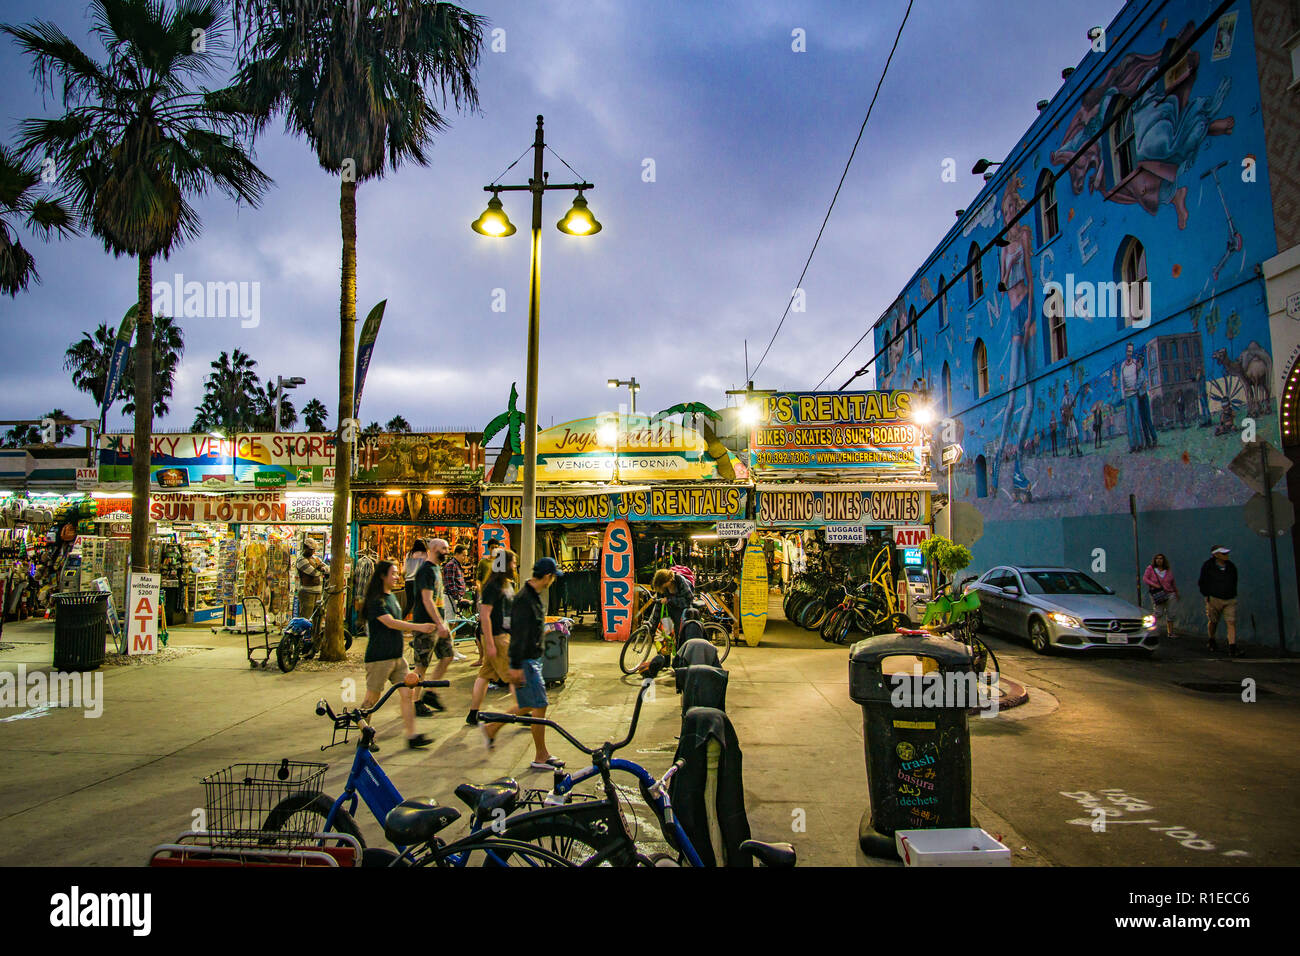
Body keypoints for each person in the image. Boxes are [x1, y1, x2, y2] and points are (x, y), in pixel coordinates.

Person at [480, 557, 566, 771]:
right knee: (539, 704)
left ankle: (491, 728)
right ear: (547, 577)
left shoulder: (531, 595)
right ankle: (541, 756)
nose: (553, 581)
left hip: (531, 659)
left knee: (527, 705)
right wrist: (516, 666)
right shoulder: (524, 599)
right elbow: (518, 635)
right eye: (553, 577)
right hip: (525, 661)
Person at [361, 561, 434, 750]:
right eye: (393, 574)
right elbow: (391, 623)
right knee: (371, 699)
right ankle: (364, 734)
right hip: (379, 657)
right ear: (382, 576)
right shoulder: (376, 601)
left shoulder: (391, 597)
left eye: (396, 574)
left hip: (397, 656)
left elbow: (396, 624)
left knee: (407, 694)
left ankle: (411, 735)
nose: (397, 577)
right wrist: (418, 627)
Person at [467, 548, 517, 726]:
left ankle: (473, 713)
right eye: (512, 562)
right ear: (505, 565)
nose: (514, 565)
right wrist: (489, 643)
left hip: (502, 635)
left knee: (485, 674)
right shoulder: (493, 586)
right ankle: (523, 711)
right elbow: (485, 615)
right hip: (497, 637)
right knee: (514, 675)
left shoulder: (506, 583)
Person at [411, 538, 453, 714]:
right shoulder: (425, 571)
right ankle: (415, 701)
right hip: (426, 624)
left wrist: (442, 623)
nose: (446, 551)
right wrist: (438, 623)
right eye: (444, 548)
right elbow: (427, 600)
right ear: (433, 548)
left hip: (438, 622)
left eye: (447, 548)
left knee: (448, 655)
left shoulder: (436, 569)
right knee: (422, 664)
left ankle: (431, 691)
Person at [1197, 545, 1240, 657]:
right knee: (1213, 621)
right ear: (1216, 555)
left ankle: (1232, 647)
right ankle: (1211, 639)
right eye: (1223, 554)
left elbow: (1234, 580)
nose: (1226, 556)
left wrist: (1233, 592)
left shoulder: (1231, 566)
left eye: (1226, 553)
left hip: (1229, 598)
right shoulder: (1208, 566)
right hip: (1214, 598)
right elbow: (1202, 581)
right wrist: (1207, 595)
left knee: (1231, 622)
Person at [1142, 553, 1178, 639]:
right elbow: (1145, 578)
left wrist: (1176, 592)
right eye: (1157, 558)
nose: (1159, 560)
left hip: (1169, 593)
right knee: (1158, 612)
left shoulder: (1168, 570)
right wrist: (1154, 585)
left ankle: (1170, 632)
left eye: (1161, 558)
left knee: (1171, 613)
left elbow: (1172, 581)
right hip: (1158, 593)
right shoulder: (1151, 569)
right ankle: (1149, 629)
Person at [651, 567, 695, 636]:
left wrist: (669, 600)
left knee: (678, 630)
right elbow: (658, 605)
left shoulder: (680, 581)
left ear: (668, 581)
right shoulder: (663, 588)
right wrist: (653, 624)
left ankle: (679, 643)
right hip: (671, 609)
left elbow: (689, 599)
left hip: (683, 608)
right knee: (667, 631)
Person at [295, 538, 327, 621]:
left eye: (313, 550)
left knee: (318, 617)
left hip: (318, 592)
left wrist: (322, 569)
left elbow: (327, 568)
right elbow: (314, 573)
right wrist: (321, 570)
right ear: (305, 548)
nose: (312, 552)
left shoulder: (315, 559)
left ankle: (314, 634)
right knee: (306, 618)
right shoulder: (301, 560)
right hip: (307, 593)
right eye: (310, 550)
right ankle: (303, 634)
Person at [403, 540, 427, 616]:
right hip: (418, 582)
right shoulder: (425, 555)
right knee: (420, 603)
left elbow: (403, 571)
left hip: (408, 581)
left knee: (409, 604)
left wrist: (405, 577)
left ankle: (400, 618)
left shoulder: (409, 554)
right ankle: (418, 621)